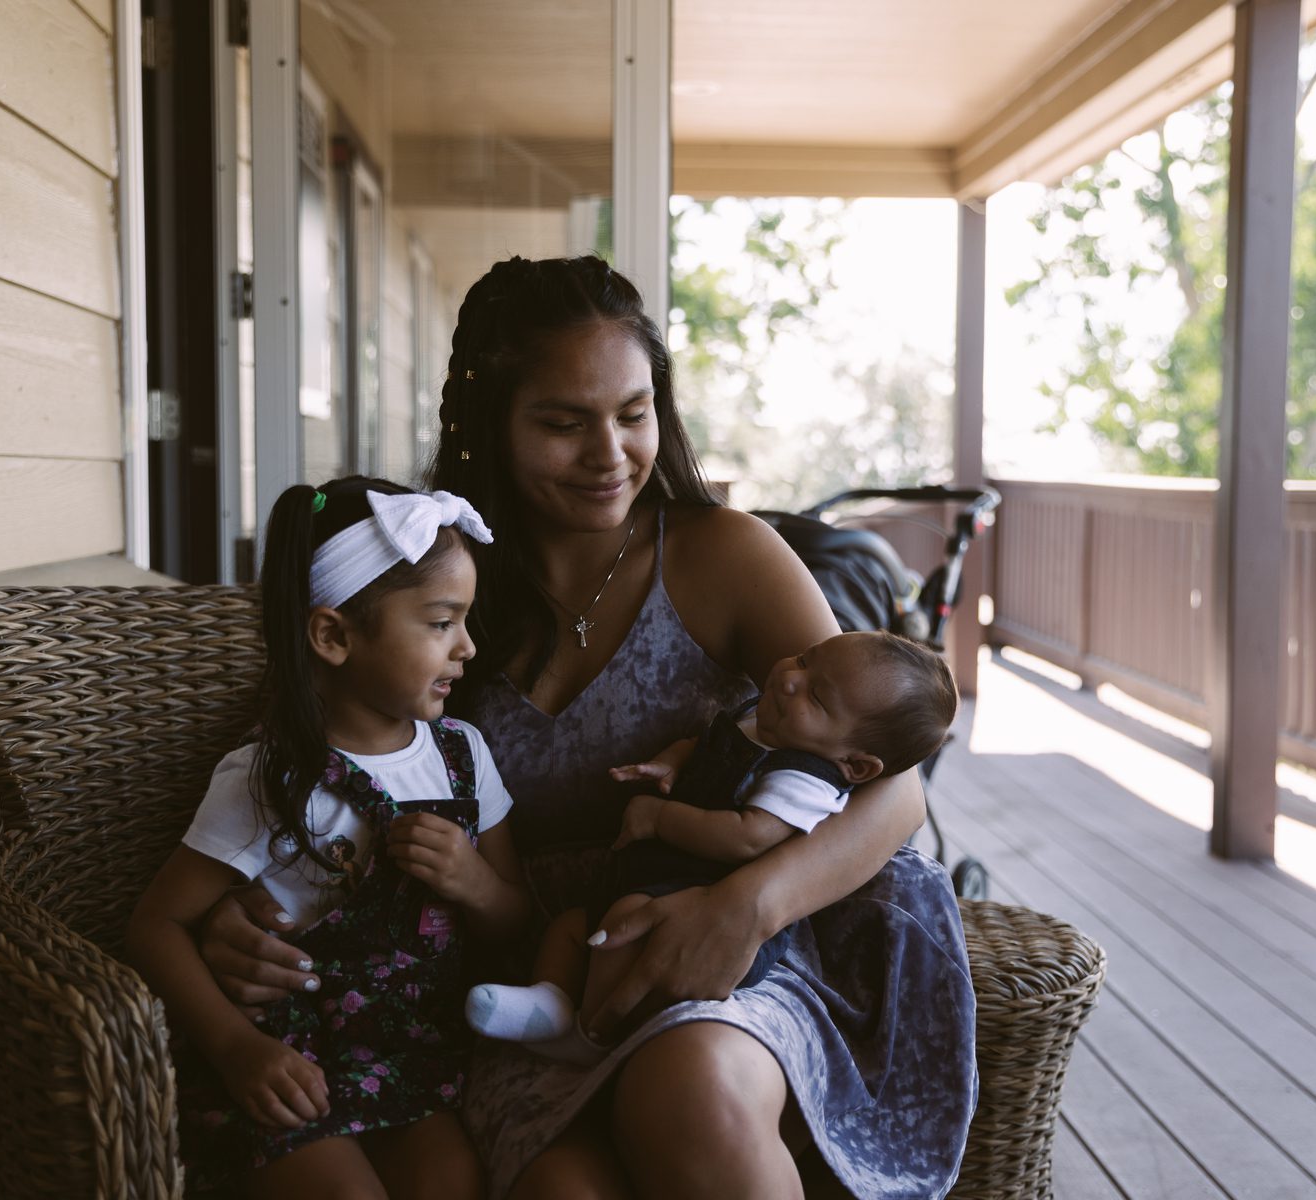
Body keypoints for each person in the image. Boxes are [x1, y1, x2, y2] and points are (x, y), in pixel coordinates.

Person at [200, 256, 977, 1200]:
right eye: (564, 423)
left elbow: (891, 782)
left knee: (693, 1093)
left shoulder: (723, 554)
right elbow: (309, 769)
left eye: (633, 414)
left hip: (735, 950)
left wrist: (748, 904)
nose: (610, 454)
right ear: (492, 426)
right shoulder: (433, 586)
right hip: (520, 982)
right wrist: (240, 917)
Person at [127, 478, 529, 1198]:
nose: (468, 647)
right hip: (291, 1060)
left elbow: (516, 918)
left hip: (416, 1055)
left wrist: (476, 883)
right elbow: (157, 925)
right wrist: (235, 1047)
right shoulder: (268, 778)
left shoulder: (463, 755)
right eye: (442, 623)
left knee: (455, 1182)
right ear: (334, 636)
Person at [464, 631, 959, 1065]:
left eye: (818, 697)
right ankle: (549, 1001)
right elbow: (708, 742)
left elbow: (747, 836)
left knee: (620, 933)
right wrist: (674, 761)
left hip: (700, 899)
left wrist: (661, 817)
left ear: (857, 766)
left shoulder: (804, 777)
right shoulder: (765, 716)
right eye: (806, 658)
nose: (790, 679)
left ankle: (590, 1038)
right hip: (646, 875)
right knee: (572, 927)